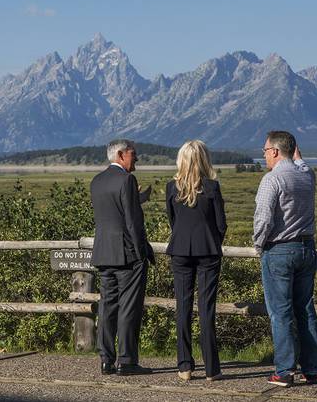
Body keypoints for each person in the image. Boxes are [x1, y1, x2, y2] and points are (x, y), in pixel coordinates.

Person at [253, 131, 317, 387]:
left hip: (280, 249)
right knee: (305, 310)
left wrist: (260, 246)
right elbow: (303, 165)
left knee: (280, 313)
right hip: (307, 248)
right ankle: (311, 368)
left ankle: (284, 370)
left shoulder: (272, 180)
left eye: (264, 151)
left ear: (274, 151)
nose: (264, 155)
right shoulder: (307, 176)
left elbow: (263, 218)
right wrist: (298, 158)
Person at [90, 139, 155, 376]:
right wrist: (141, 254)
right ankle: (126, 361)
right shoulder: (127, 180)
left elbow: (113, 212)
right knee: (129, 308)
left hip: (104, 252)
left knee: (107, 307)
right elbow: (131, 221)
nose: (136, 158)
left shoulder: (97, 181)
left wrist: (138, 199)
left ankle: (106, 359)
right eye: (133, 154)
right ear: (120, 155)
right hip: (127, 254)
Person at [165, 140, 227, 381]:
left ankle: (184, 366)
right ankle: (211, 368)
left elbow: (172, 221)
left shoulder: (172, 188)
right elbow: (221, 223)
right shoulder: (212, 187)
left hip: (180, 250)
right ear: (204, 159)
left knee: (182, 307)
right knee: (206, 309)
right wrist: (213, 240)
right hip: (208, 251)